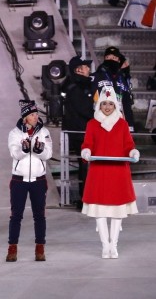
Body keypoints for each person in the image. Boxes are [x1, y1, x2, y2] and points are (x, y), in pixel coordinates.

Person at [80, 86, 139, 259]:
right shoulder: (92, 124)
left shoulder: (122, 124)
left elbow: (128, 145)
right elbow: (87, 143)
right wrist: (86, 152)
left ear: (115, 105)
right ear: (99, 105)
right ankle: (105, 245)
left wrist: (133, 152)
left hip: (118, 173)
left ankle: (114, 245)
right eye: (104, 103)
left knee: (117, 211)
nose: (107, 107)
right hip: (99, 172)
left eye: (110, 104)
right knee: (100, 211)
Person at [6, 100, 52, 262]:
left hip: (38, 180)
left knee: (39, 215)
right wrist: (23, 150)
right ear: (25, 117)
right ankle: (12, 248)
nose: (35, 117)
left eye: (36, 114)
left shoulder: (44, 132)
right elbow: (14, 154)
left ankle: (40, 248)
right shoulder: (14, 133)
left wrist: (40, 151)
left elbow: (48, 154)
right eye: (32, 114)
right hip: (19, 180)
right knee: (16, 215)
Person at [62, 56, 95, 209]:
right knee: (86, 166)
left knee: (87, 166)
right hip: (81, 133)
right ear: (79, 70)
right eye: (86, 67)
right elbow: (84, 110)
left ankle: (90, 198)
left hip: (85, 132)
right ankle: (86, 199)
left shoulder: (84, 86)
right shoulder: (76, 88)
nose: (89, 69)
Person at [91, 46, 135, 132]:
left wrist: (130, 125)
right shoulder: (95, 76)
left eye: (114, 58)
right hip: (101, 122)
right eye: (108, 58)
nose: (111, 60)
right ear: (104, 59)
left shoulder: (122, 78)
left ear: (118, 61)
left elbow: (126, 104)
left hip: (118, 121)